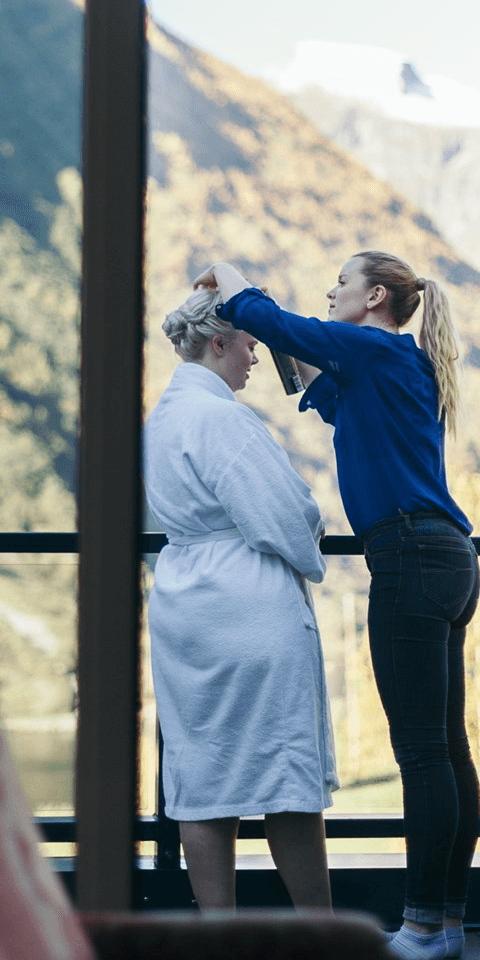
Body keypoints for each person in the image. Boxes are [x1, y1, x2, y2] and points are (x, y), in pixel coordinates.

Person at [194, 253, 480, 960]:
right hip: (445, 558)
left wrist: (226, 275)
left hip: (412, 560)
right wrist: (289, 347)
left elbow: (272, 320)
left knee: (420, 752)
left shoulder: (372, 346)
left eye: (343, 285)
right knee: (446, 748)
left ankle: (419, 926)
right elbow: (315, 383)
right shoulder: (385, 363)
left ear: (375, 297)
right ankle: (445, 921)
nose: (331, 293)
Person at [143, 288, 338, 912]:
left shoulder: (163, 418)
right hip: (246, 606)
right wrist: (313, 527)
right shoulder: (222, 418)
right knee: (285, 777)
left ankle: (218, 935)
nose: (255, 358)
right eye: (250, 346)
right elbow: (283, 514)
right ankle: (320, 930)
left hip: (183, 605)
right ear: (219, 343)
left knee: (204, 777)